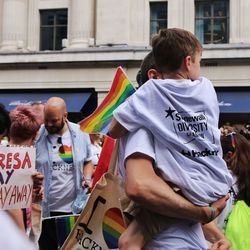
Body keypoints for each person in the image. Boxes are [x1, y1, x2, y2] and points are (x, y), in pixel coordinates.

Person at [110, 28, 233, 249]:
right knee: (131, 238)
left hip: (201, 198)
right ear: (188, 62)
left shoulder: (149, 105)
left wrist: (216, 235)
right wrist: (202, 212)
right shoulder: (204, 89)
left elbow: (113, 129)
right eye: (199, 62)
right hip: (214, 184)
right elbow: (140, 187)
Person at [36, 97, 93, 250]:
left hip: (73, 211)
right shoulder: (37, 134)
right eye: (46, 120)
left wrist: (87, 179)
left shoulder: (81, 133)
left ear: (65, 116)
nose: (48, 124)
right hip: (45, 211)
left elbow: (88, 161)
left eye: (53, 121)